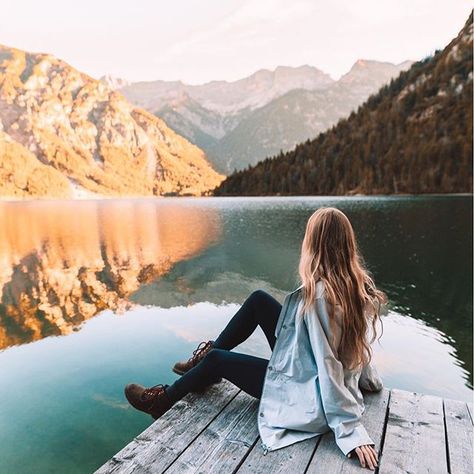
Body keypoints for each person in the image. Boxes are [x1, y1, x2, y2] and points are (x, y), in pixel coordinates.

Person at [124, 207, 387, 470]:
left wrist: (350, 430)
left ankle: (163, 401)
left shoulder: (319, 296)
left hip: (306, 394)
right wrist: (368, 381)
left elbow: (328, 362)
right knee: (259, 300)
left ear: (314, 245)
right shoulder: (356, 284)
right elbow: (354, 348)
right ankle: (200, 366)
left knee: (217, 360)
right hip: (307, 370)